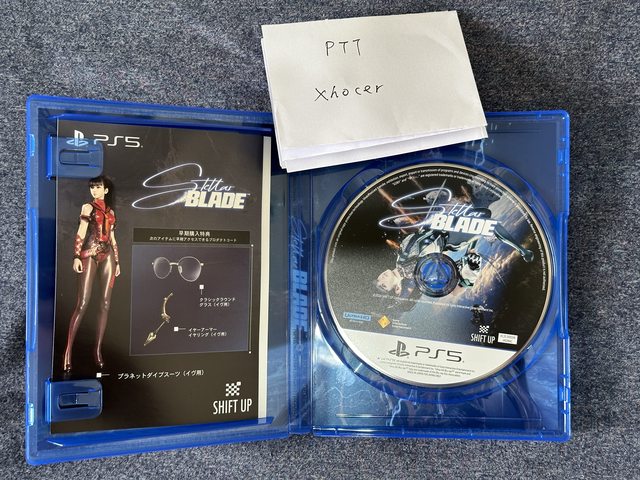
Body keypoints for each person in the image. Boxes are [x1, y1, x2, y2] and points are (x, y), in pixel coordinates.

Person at [63, 176, 120, 372]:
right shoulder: (87, 208)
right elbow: (81, 231)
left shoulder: (111, 212)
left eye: (98, 187)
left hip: (108, 255)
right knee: (83, 302)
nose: (94, 190)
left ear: (106, 190)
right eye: (92, 187)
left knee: (105, 303)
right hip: (89, 253)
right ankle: (68, 352)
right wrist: (76, 256)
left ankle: (97, 350)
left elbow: (112, 238)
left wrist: (117, 261)